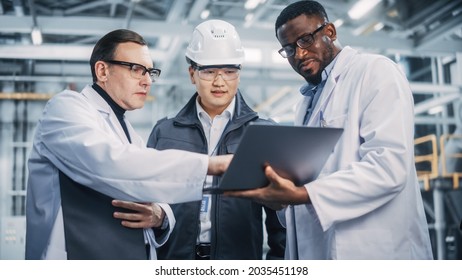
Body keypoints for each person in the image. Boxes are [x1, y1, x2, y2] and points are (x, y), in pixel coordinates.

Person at [227, 0, 433, 260]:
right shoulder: (305, 102)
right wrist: (279, 199)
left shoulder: (375, 72)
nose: (298, 55)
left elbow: (389, 167)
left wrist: (302, 194)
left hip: (374, 253)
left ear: (330, 32)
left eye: (304, 40)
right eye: (288, 49)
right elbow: (310, 181)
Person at [25, 29, 231, 260]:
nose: (147, 81)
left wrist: (160, 214)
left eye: (150, 72)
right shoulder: (65, 108)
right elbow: (108, 163)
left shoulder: (130, 134)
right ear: (102, 70)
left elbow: (157, 195)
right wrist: (212, 165)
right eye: (136, 69)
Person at [146, 19, 285, 260]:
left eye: (229, 71)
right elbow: (146, 206)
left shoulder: (263, 133)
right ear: (192, 74)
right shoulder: (165, 132)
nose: (220, 82)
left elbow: (280, 220)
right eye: (209, 71)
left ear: (239, 75)